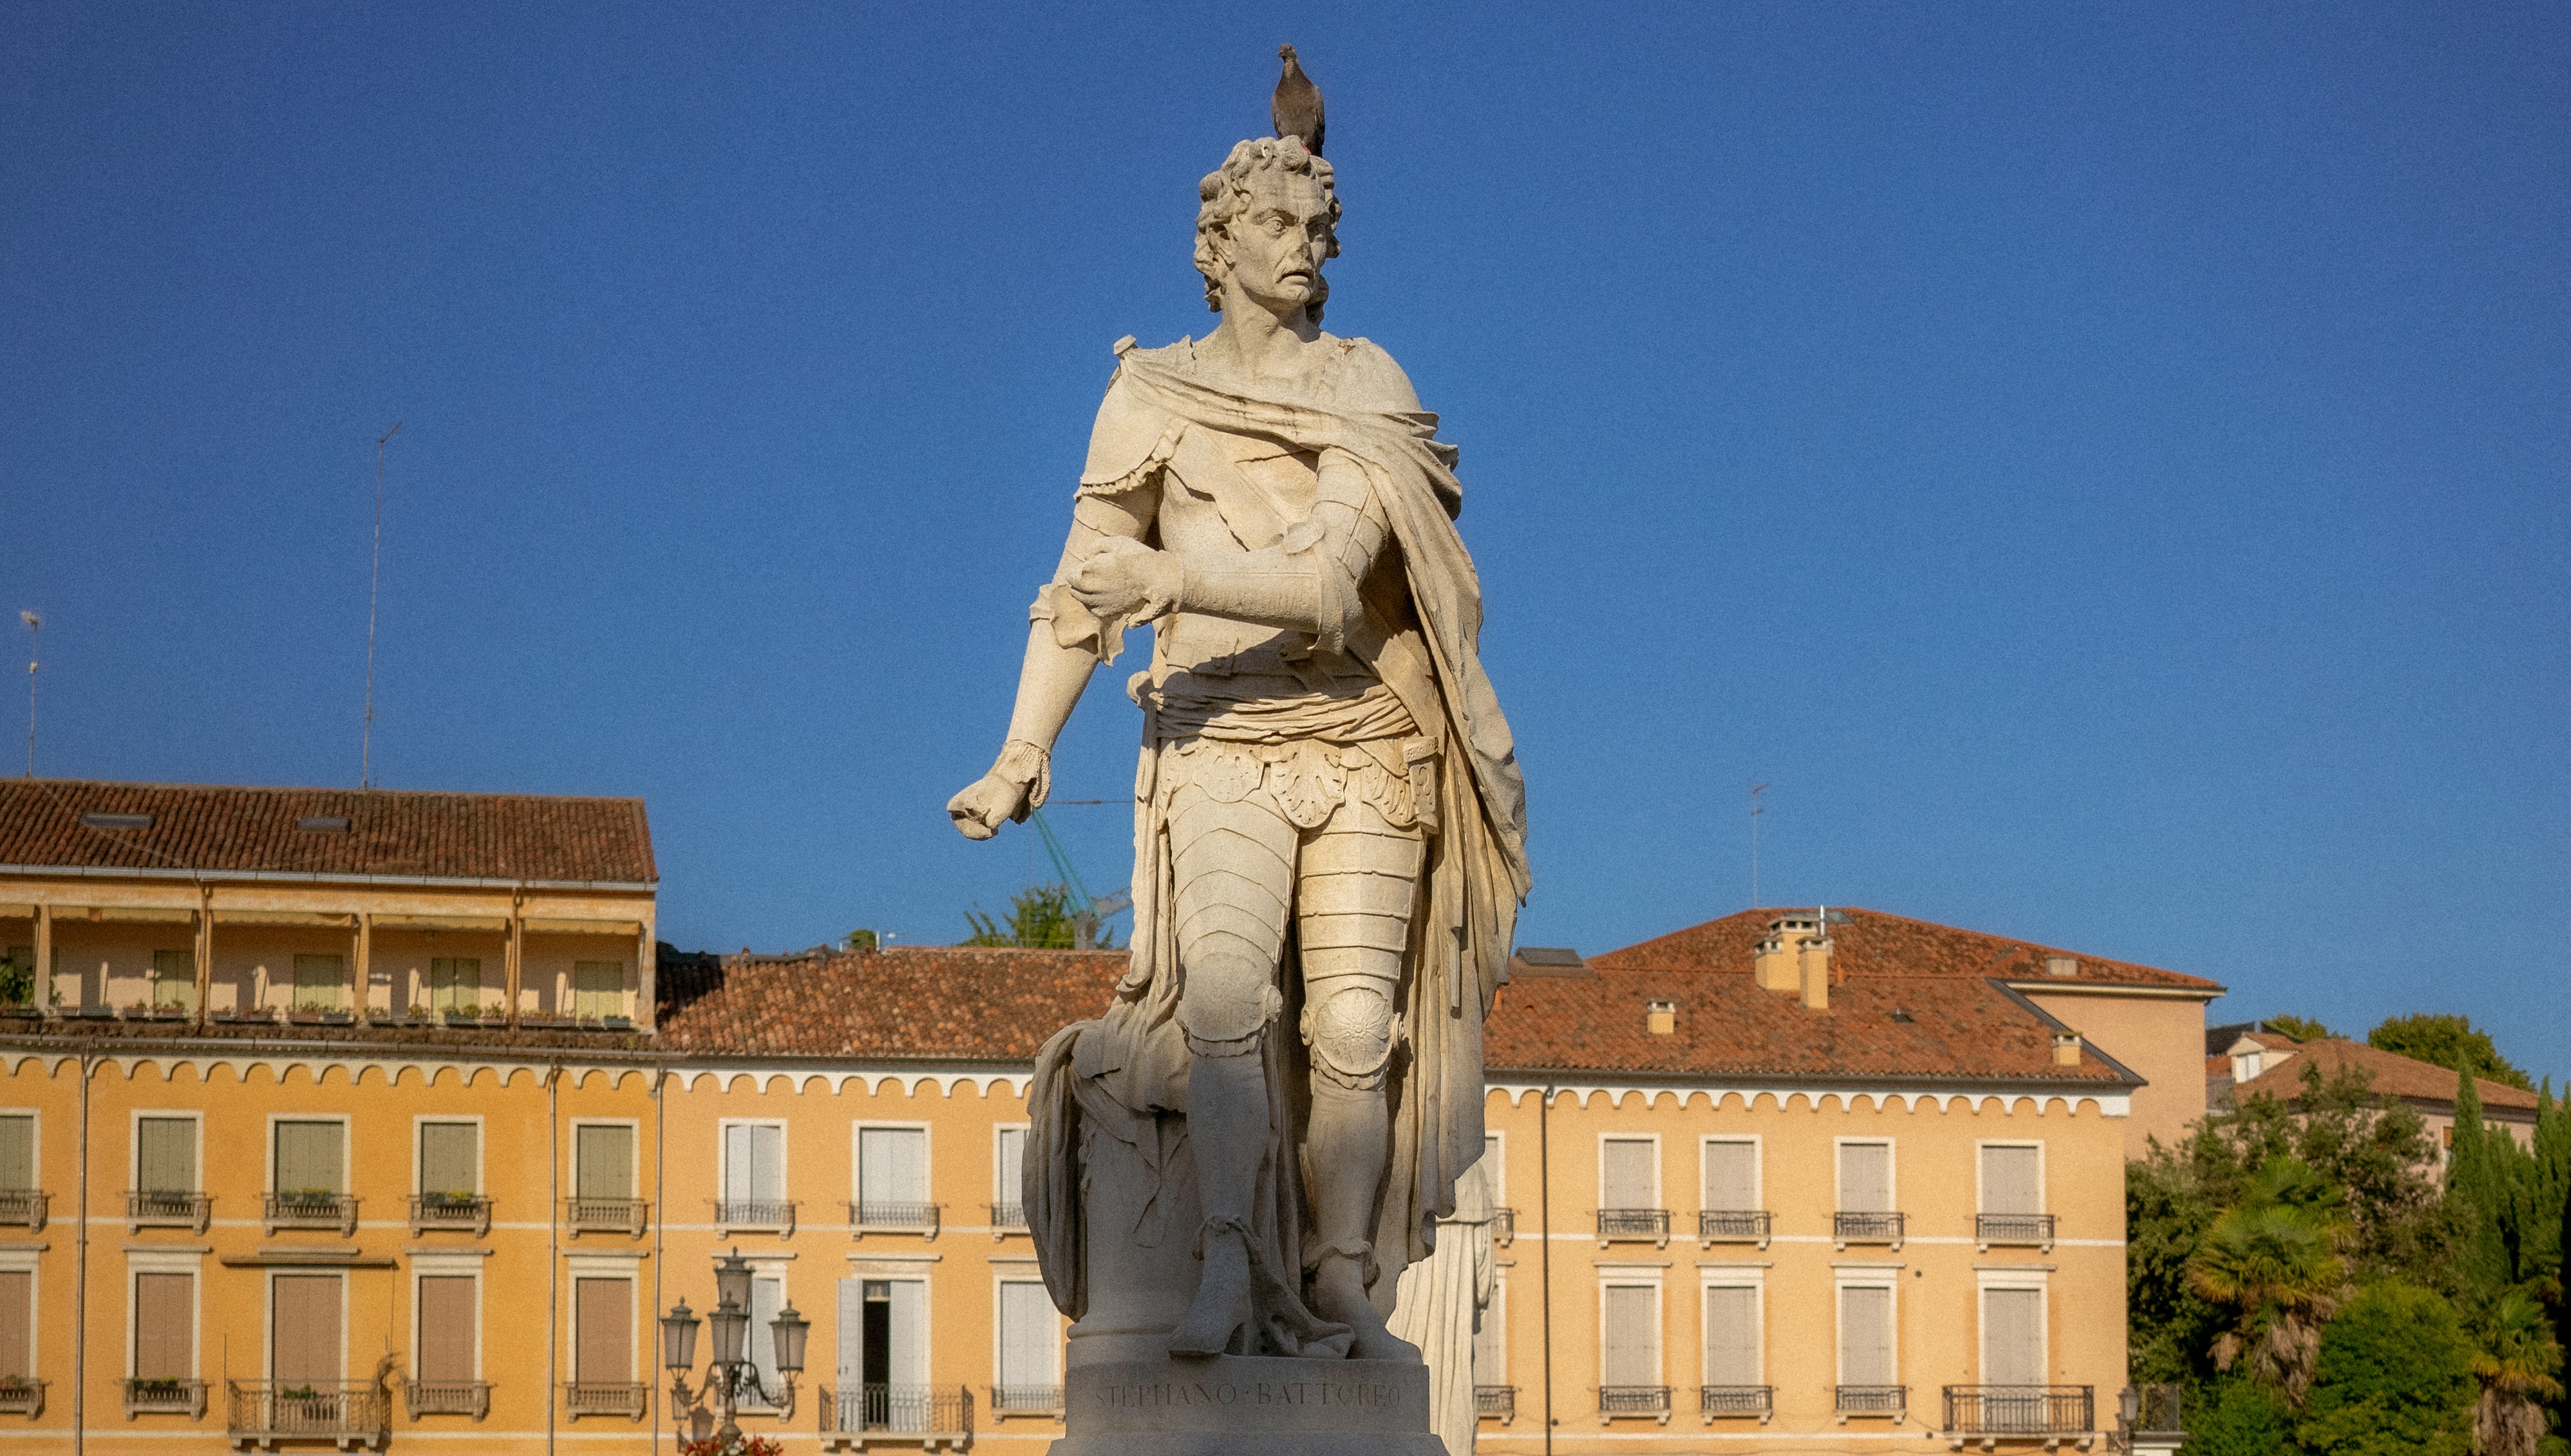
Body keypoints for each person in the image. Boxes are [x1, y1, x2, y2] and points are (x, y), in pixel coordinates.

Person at [950, 135, 1528, 1363]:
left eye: (1321, 230)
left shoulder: (1366, 386)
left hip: (1368, 738)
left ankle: (1344, 1276)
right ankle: (1223, 1255)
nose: (1307, 249)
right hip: (1216, 732)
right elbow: (1078, 587)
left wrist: (1168, 573)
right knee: (1223, 1005)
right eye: (1280, 226)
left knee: (1357, 1029)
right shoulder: (1149, 395)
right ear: (1219, 246)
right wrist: (1019, 749)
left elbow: (1324, 584)